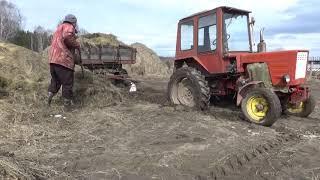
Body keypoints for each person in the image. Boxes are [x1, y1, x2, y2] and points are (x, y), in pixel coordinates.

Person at [47, 14, 80, 110]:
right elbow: (68, 38)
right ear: (73, 22)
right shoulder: (69, 27)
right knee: (67, 83)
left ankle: (48, 99)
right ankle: (67, 106)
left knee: (55, 82)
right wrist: (76, 44)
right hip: (63, 60)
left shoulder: (58, 28)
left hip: (53, 60)